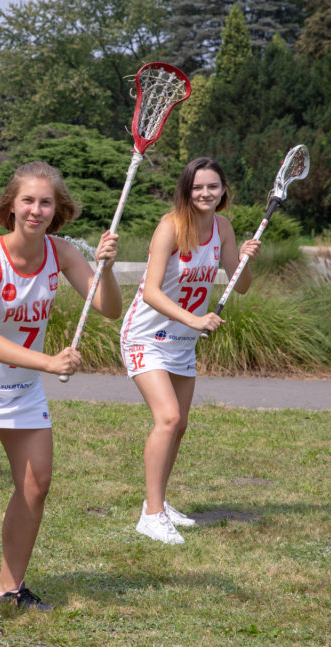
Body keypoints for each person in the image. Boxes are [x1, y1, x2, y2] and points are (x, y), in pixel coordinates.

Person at [0, 161, 121, 637]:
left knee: (36, 485)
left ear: (57, 210)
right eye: (28, 201)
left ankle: (10, 587)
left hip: (21, 389)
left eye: (46, 202)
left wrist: (107, 268)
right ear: (10, 205)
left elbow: (108, 309)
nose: (36, 210)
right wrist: (47, 362)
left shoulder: (60, 253)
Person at [121, 157, 259, 545]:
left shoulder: (224, 228)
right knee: (167, 418)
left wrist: (246, 258)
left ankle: (159, 504)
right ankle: (150, 516)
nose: (205, 193)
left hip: (181, 342)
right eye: (197, 187)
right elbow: (149, 292)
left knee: (179, 425)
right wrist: (195, 320)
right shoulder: (170, 227)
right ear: (186, 190)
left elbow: (240, 285)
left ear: (223, 190)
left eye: (212, 187)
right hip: (145, 337)